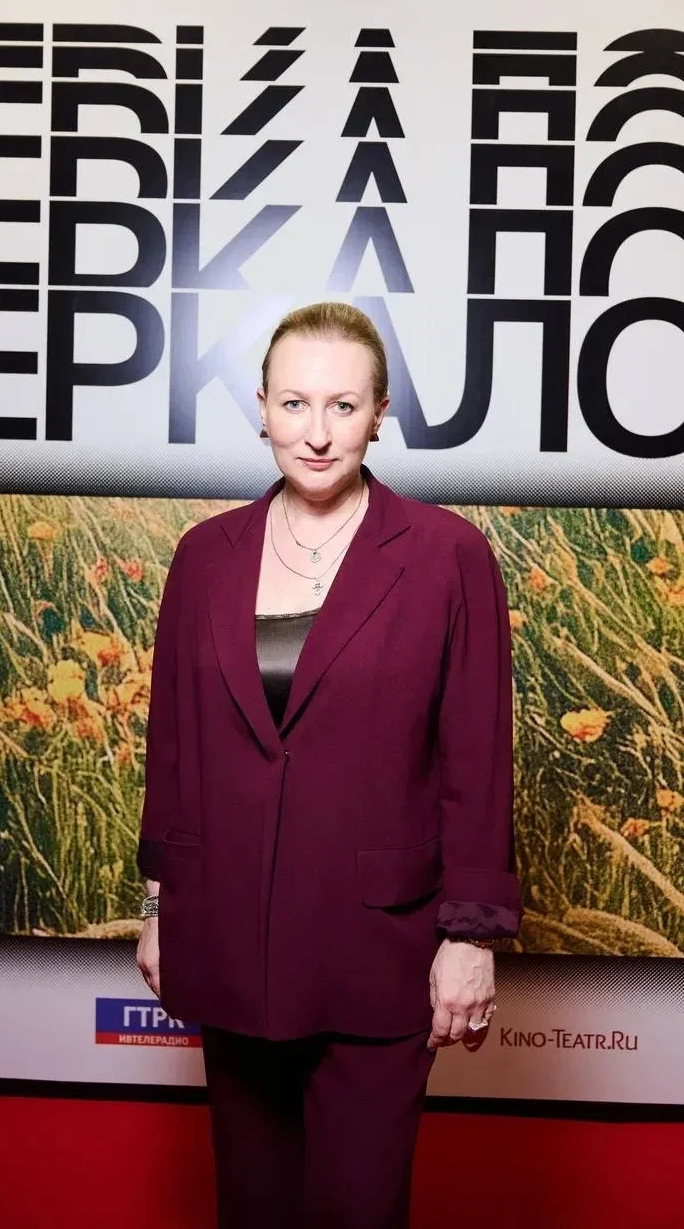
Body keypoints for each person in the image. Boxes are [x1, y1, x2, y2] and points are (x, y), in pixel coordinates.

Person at [136, 301, 522, 1229]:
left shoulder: (446, 555)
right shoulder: (204, 556)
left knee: (359, 1208)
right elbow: (173, 746)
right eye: (294, 404)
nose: (316, 433)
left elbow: (477, 758)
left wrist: (469, 938)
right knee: (252, 1206)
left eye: (342, 406)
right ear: (261, 409)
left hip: (376, 949)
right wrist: (157, 910)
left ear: (379, 414)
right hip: (228, 936)